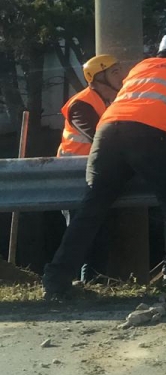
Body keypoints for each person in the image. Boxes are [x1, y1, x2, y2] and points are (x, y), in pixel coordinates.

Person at [42, 34, 166, 298]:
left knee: (91, 209)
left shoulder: (140, 68)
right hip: (150, 135)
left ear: (160, 52)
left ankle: (56, 279)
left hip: (107, 133)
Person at [57, 54, 124, 282]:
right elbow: (98, 136)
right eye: (114, 72)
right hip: (72, 176)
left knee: (98, 230)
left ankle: (93, 281)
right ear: (98, 77)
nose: (121, 77)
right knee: (81, 232)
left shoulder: (109, 102)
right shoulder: (81, 104)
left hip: (91, 174)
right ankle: (69, 281)